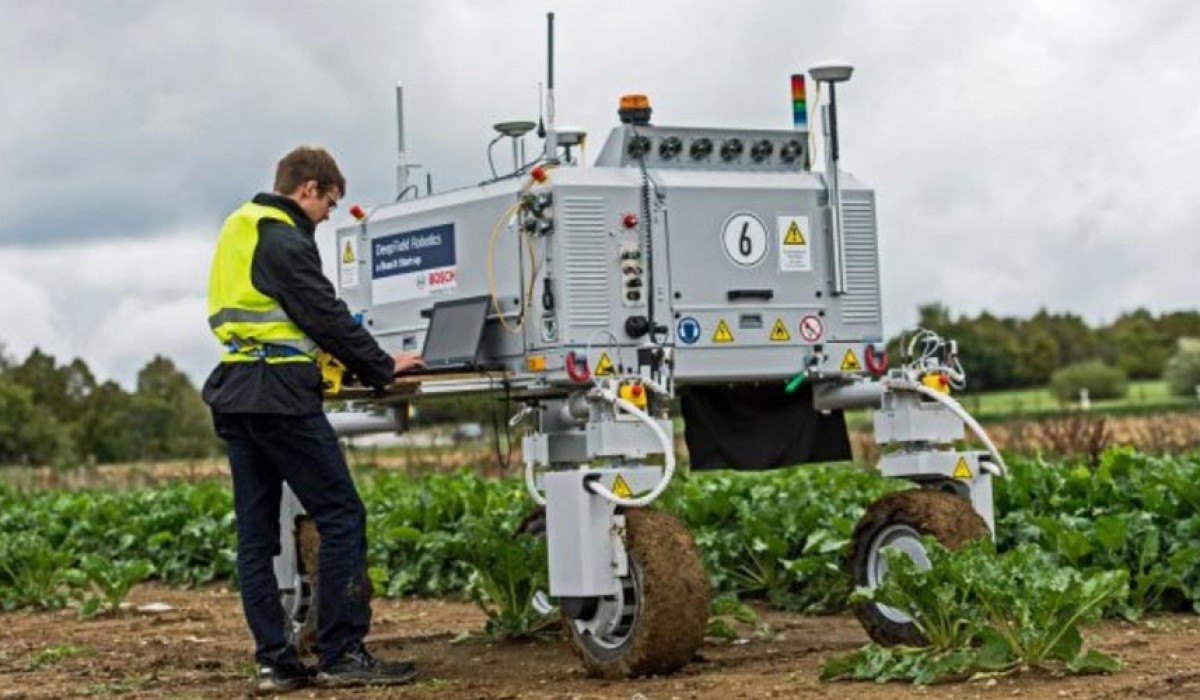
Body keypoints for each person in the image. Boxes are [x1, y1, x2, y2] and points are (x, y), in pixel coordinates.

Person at [203, 146, 424, 693]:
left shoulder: (240, 226)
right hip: (280, 395)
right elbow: (323, 313)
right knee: (342, 514)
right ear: (308, 189)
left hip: (236, 391)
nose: (328, 216)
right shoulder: (283, 237)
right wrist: (381, 365)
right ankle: (342, 652)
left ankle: (274, 662)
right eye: (330, 203)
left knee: (257, 536)